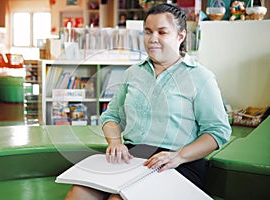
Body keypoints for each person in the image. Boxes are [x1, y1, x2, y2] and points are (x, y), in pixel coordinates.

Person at [65, 3, 231, 200]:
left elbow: (217, 132)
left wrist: (178, 156)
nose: (153, 39)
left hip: (179, 163)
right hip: (132, 157)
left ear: (181, 36)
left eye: (162, 32)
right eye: (148, 32)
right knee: (78, 194)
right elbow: (112, 116)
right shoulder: (132, 73)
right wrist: (116, 142)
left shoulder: (201, 77)